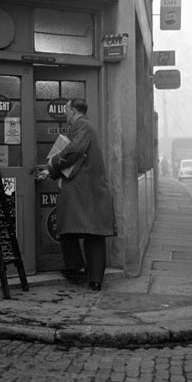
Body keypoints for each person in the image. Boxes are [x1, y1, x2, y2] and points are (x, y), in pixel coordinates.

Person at [36, 98, 116, 291]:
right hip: (92, 192)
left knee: (67, 228)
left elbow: (74, 151)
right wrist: (52, 171)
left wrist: (52, 164)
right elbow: (77, 156)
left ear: (72, 111)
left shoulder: (82, 126)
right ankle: (92, 278)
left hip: (82, 191)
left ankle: (77, 268)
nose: (65, 114)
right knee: (91, 235)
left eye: (66, 110)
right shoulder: (88, 126)